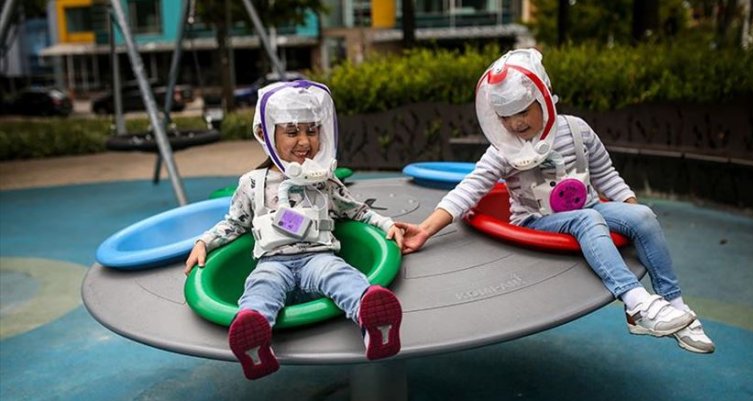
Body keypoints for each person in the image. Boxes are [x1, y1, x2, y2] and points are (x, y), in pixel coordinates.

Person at [396, 49, 714, 354]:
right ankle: (637, 304)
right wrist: (426, 229)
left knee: (643, 215)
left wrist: (630, 211)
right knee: (588, 220)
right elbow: (469, 189)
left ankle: (675, 307)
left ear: (544, 99)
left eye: (522, 111)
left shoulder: (578, 130)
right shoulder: (504, 150)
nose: (515, 123)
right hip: (538, 221)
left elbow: (607, 176)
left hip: (588, 208)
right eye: (505, 116)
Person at [184, 80, 405, 380]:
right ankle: (256, 341)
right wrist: (204, 242)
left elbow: (356, 209)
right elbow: (233, 223)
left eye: (311, 130)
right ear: (265, 134)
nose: (304, 141)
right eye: (292, 131)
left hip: (318, 259)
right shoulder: (252, 183)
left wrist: (387, 225)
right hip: (274, 263)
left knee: (340, 276)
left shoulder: (323, 179)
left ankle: (373, 322)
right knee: (260, 287)